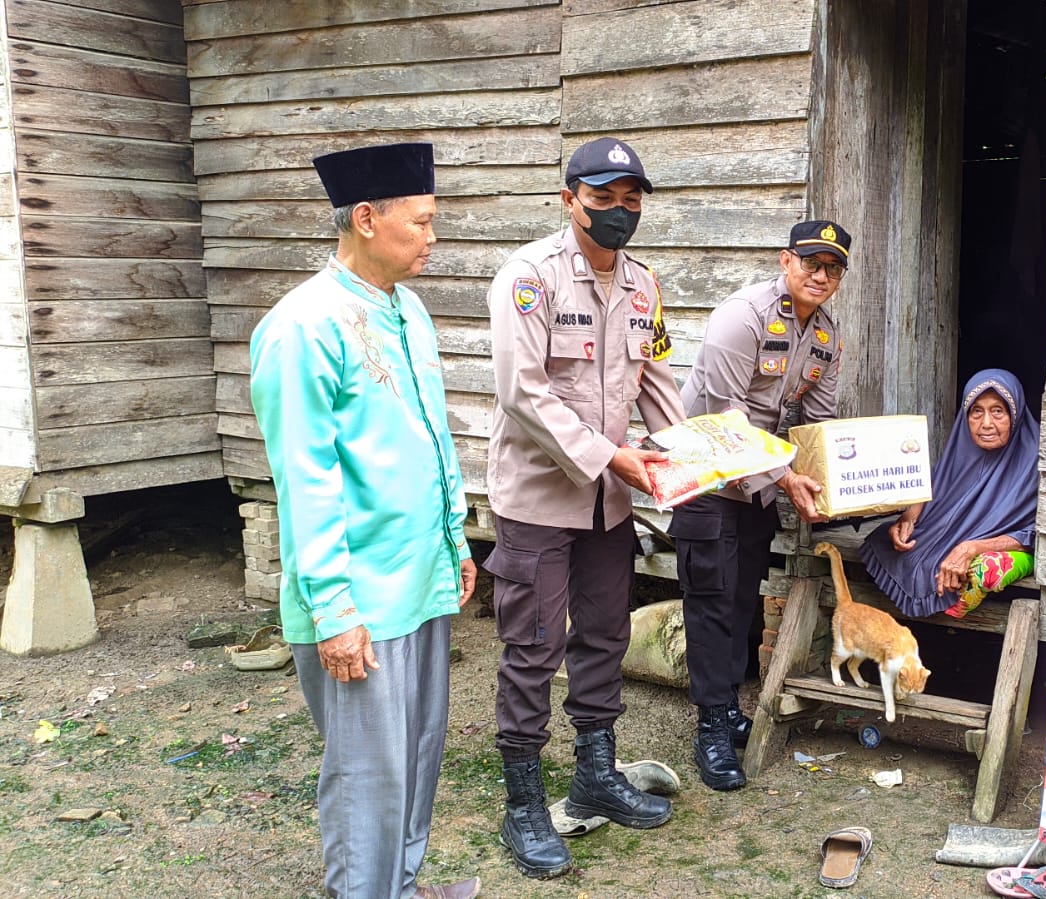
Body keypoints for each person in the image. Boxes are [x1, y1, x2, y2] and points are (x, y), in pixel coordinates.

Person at [249, 142, 480, 899]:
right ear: (367, 218)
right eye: (422, 223)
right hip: (358, 595)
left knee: (417, 754)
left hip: (419, 577)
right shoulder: (302, 327)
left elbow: (429, 433)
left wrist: (456, 535)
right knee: (365, 776)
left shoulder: (406, 309)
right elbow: (305, 479)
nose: (432, 238)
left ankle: (402, 887)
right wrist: (335, 609)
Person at [485, 137, 685, 879]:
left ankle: (596, 774)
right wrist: (612, 456)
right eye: (603, 196)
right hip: (540, 498)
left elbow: (657, 383)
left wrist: (696, 453)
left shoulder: (642, 285)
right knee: (534, 646)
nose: (619, 210)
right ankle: (524, 802)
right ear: (569, 199)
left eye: (632, 197)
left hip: (608, 502)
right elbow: (523, 392)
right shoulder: (529, 279)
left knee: (602, 635)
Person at [672, 220, 850, 790]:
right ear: (785, 261)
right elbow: (723, 419)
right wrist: (787, 476)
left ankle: (725, 710)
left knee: (743, 599)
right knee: (711, 601)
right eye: (811, 263)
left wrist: (822, 479)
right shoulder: (741, 317)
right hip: (706, 473)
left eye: (833, 268)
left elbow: (814, 423)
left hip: (758, 482)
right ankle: (709, 730)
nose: (821, 276)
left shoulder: (825, 335)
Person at [862, 369, 1041, 619]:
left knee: (977, 567)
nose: (986, 423)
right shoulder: (963, 449)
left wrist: (972, 547)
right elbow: (935, 484)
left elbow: (1035, 535)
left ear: (1015, 414)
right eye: (976, 411)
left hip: (1000, 545)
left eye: (997, 411)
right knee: (890, 542)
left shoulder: (1037, 463)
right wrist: (908, 519)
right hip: (946, 536)